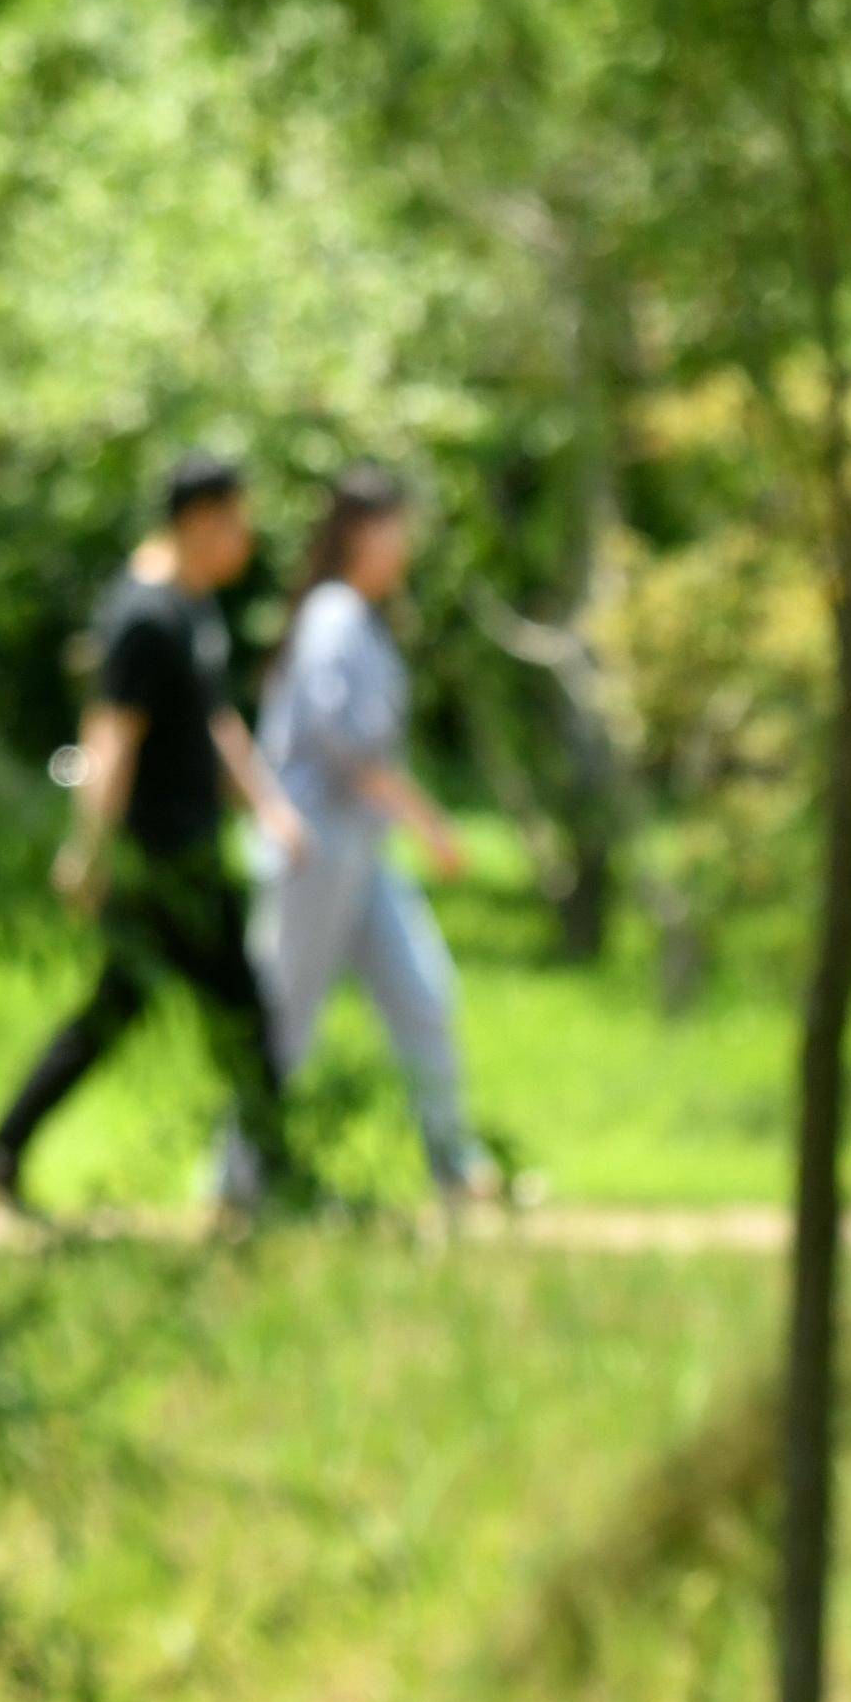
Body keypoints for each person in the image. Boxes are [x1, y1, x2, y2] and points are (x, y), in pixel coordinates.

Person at [0, 456, 299, 1223]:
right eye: (238, 521)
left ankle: (0, 1151)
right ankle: (276, 1180)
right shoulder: (144, 614)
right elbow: (110, 738)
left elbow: (214, 725)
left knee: (121, 1012)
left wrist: (265, 807)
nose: (246, 539)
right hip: (163, 859)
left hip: (189, 851)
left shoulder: (191, 607)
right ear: (202, 521)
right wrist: (89, 850)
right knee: (240, 1017)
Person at [243, 463, 502, 1209]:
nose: (407, 547)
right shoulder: (333, 615)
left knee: (422, 993)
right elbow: (344, 745)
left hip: (363, 846)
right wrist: (429, 820)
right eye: (399, 529)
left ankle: (454, 1162)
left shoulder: (360, 615)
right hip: (315, 844)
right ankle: (242, 1175)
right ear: (361, 530)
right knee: (288, 1011)